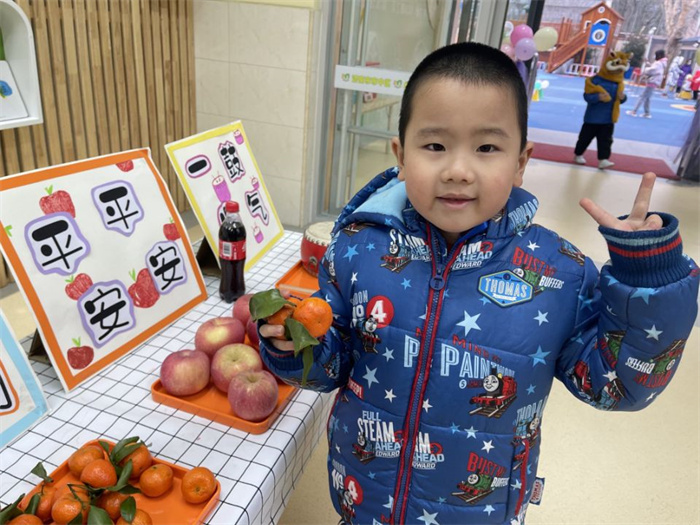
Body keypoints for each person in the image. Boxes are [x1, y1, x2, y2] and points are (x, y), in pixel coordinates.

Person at [259, 43, 698, 525]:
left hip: (480, 510)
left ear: (522, 160)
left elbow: (617, 388)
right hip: (364, 500)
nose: (458, 170)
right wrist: (292, 347)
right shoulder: (358, 248)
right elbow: (333, 364)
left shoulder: (561, 274)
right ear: (400, 156)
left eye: (487, 147)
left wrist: (647, 279)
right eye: (434, 146)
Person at [573, 50, 631, 169]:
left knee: (606, 141)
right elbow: (587, 96)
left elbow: (620, 99)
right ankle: (578, 154)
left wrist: (623, 98)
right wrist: (597, 97)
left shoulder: (619, 84)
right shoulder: (596, 80)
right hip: (592, 118)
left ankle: (603, 159)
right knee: (585, 138)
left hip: (609, 119)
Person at [626, 49, 667, 118]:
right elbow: (655, 68)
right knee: (647, 97)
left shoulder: (658, 63)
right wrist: (648, 63)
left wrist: (646, 70)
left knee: (642, 96)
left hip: (652, 81)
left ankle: (634, 111)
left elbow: (653, 70)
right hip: (655, 81)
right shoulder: (662, 63)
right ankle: (647, 113)